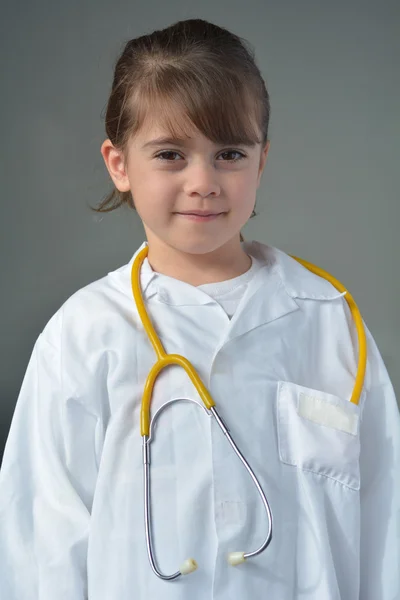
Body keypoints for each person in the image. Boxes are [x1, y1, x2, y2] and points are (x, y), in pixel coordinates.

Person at [0, 17, 398, 600]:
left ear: (261, 162)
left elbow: (385, 523)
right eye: (169, 154)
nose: (203, 181)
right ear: (119, 164)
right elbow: (41, 548)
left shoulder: (330, 321)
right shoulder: (84, 336)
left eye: (230, 153)